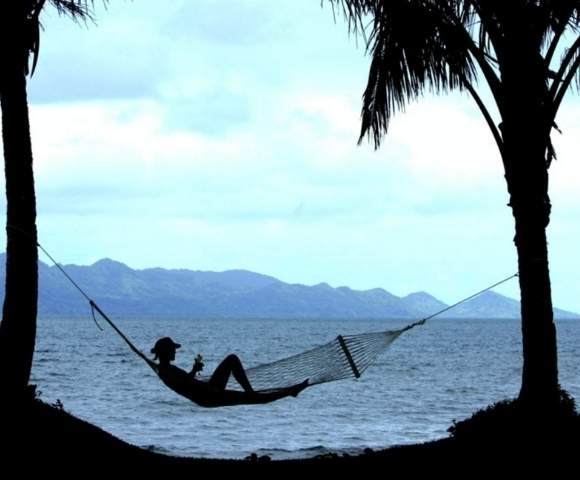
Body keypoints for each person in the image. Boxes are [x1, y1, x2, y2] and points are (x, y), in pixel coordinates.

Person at [149, 337, 308, 408]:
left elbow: (185, 383)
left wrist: (194, 370)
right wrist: (195, 373)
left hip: (207, 391)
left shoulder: (164, 369)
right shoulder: (167, 370)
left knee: (233, 363)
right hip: (209, 395)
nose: (175, 352)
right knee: (233, 362)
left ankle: (289, 392)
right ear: (166, 351)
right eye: (172, 349)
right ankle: (288, 392)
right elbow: (185, 384)